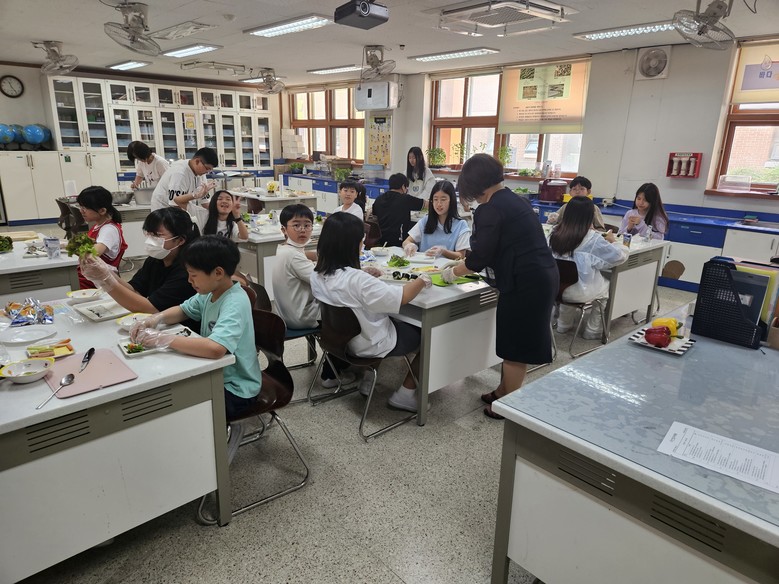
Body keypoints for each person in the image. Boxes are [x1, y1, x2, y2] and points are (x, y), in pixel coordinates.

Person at [441, 154, 558, 420]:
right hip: (536, 277)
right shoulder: (513, 199)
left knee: (516, 348)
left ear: (475, 184)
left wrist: (453, 272)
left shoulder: (491, 209)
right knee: (510, 341)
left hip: (527, 283)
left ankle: (509, 404)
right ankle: (502, 391)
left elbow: (480, 257)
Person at [310, 212, 433, 412]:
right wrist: (423, 279)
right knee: (431, 334)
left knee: (380, 319)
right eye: (362, 239)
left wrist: (363, 275)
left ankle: (368, 379)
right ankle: (405, 394)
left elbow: (348, 286)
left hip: (339, 343)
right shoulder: (358, 281)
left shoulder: (316, 273)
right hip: (369, 345)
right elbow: (402, 297)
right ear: (352, 244)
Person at [129, 236, 262, 419]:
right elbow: (183, 310)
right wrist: (154, 319)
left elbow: (215, 349)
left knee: (181, 407)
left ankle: (223, 433)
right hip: (214, 373)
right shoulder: (210, 292)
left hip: (236, 387)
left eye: (193, 275)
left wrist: (163, 339)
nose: (189, 281)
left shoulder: (234, 302)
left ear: (218, 273)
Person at [272, 204, 354, 388]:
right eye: (296, 225)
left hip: (286, 314)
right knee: (349, 314)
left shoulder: (285, 250)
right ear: (284, 229)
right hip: (301, 317)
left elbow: (306, 257)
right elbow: (326, 283)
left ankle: (338, 364)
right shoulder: (294, 257)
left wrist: (320, 256)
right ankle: (331, 373)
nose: (303, 229)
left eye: (307, 225)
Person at [80, 207, 199, 316]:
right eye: (149, 234)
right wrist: (107, 272)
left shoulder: (187, 270)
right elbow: (135, 289)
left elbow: (151, 308)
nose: (151, 240)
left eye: (157, 235)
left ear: (180, 240)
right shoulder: (156, 260)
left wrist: (106, 280)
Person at [549, 197, 629, 339]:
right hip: (578, 292)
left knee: (568, 281)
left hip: (555, 290)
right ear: (590, 216)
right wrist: (614, 241)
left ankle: (563, 325)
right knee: (605, 288)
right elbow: (618, 257)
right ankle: (592, 331)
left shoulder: (554, 233)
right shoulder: (592, 238)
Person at [402, 180, 470, 260]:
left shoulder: (461, 225)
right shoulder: (425, 221)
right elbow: (406, 241)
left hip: (447, 266)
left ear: (451, 201)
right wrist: (409, 245)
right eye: (435, 199)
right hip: (423, 266)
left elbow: (461, 255)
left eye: (443, 199)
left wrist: (443, 252)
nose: (439, 204)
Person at [76, 186, 128, 289]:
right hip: (89, 278)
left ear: (102, 210)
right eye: (80, 206)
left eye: (85, 208)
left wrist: (73, 248)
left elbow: (94, 252)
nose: (81, 211)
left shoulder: (109, 230)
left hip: (96, 284)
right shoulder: (99, 225)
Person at [151, 147, 217, 212]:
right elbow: (175, 204)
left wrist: (217, 212)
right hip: (164, 209)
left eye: (210, 170)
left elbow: (205, 201)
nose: (207, 172)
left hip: (179, 207)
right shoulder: (179, 174)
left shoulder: (201, 172)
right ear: (197, 161)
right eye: (207, 168)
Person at [372, 173, 427, 247]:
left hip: (380, 241)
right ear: (403, 186)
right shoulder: (406, 199)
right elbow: (425, 204)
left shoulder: (379, 199)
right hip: (399, 242)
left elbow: (374, 214)